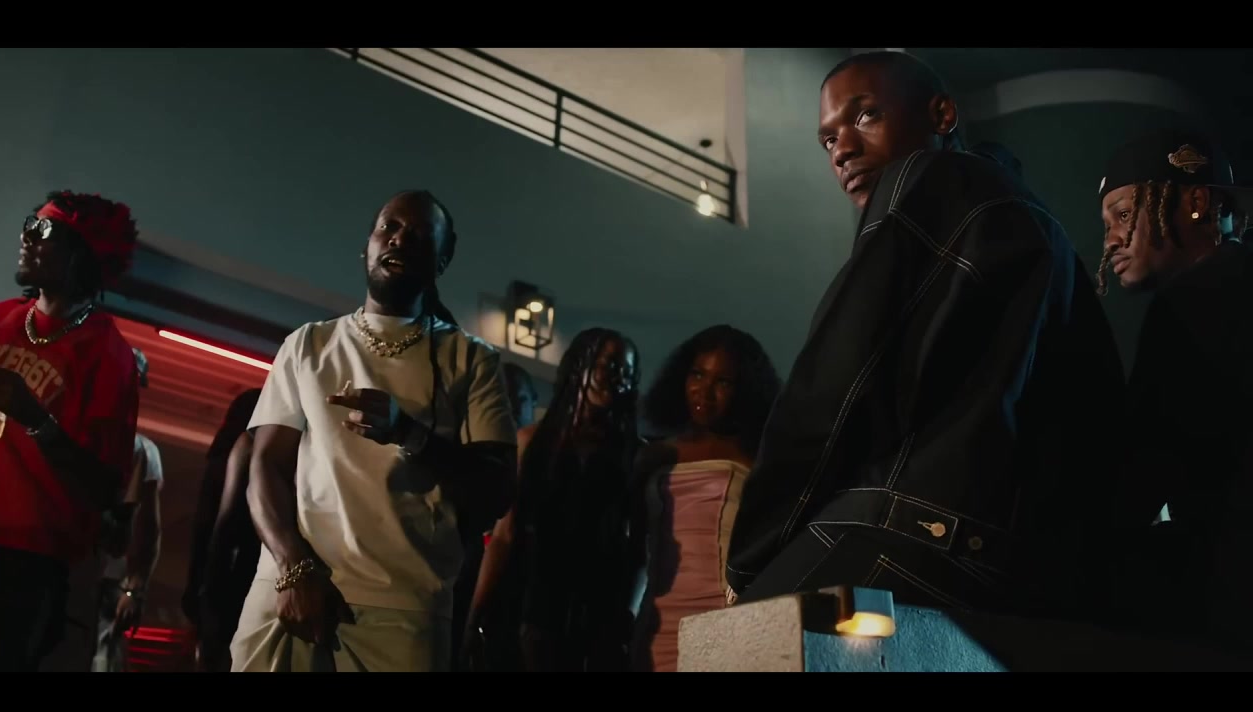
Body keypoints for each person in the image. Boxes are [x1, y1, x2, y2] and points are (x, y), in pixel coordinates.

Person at [724, 51, 1127, 618]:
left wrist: (749, 559)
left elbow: (836, 385)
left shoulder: (926, 178)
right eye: (828, 139)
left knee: (735, 643)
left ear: (942, 115)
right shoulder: (1047, 233)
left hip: (912, 534)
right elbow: (1099, 420)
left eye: (865, 115)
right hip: (1020, 576)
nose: (841, 149)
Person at [232, 190, 517, 672]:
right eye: (390, 227)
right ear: (367, 245)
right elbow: (266, 467)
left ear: (442, 260)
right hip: (290, 590)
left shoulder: (471, 360)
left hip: (403, 607)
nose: (400, 240)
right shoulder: (308, 343)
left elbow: (496, 490)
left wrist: (408, 432)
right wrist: (293, 568)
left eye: (420, 236)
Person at [1095, 128, 1253, 653]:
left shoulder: (1194, 300)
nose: (1111, 241)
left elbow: (1145, 470)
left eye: (1123, 214)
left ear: (1197, 201)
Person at [0, 190, 141, 671]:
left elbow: (104, 486)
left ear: (81, 254)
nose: (26, 236)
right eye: (29, 223)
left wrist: (35, 417)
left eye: (43, 229)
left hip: (22, 564)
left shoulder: (107, 353)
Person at [464, 328, 641, 672]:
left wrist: (625, 617)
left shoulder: (634, 455)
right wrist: (475, 614)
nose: (618, 378)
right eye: (609, 365)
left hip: (596, 613)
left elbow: (638, 550)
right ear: (579, 366)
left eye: (627, 372)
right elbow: (504, 535)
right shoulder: (531, 442)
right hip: (527, 602)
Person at [629, 325, 781, 672]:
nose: (704, 391)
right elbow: (634, 547)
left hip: (728, 617)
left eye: (722, 381)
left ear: (746, 390)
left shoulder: (760, 457)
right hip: (657, 621)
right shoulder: (655, 455)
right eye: (697, 374)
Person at [450, 361, 536, 669]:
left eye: (519, 399)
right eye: (502, 399)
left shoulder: (546, 459)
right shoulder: (469, 460)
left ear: (534, 402)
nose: (510, 409)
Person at [91, 348, 164, 672]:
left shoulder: (140, 450)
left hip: (104, 582)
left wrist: (134, 588)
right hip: (84, 575)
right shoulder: (140, 449)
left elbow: (148, 529)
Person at [183, 388, 263, 671]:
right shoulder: (253, 442)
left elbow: (212, 524)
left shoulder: (240, 440)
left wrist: (198, 587)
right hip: (251, 575)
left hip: (233, 574)